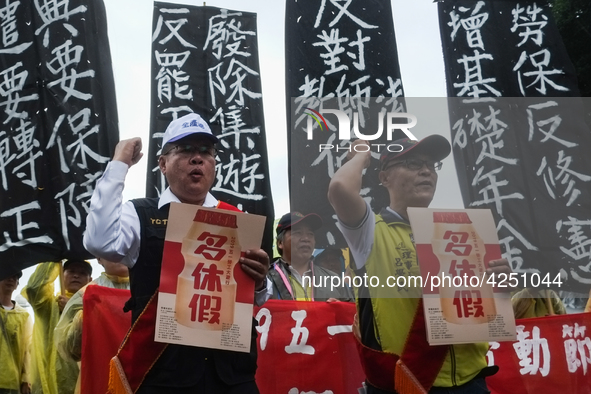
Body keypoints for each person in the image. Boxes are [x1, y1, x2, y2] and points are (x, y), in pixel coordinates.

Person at [83, 112, 271, 394]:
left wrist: (260, 282)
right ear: (162, 163)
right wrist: (119, 163)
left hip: (232, 378)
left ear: (214, 165)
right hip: (163, 376)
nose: (198, 159)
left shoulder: (237, 220)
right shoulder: (141, 214)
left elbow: (254, 297)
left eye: (206, 151)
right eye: (185, 150)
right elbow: (99, 241)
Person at [327, 136, 513, 393]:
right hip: (408, 382)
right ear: (384, 178)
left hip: (472, 378)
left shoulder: (460, 232)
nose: (426, 171)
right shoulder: (370, 231)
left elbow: (479, 308)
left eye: (432, 165)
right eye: (413, 163)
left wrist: (500, 285)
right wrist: (361, 156)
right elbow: (340, 188)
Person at [54, 258, 130, 394]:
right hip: (98, 376)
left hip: (139, 376)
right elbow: (69, 349)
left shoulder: (150, 290)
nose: (121, 253)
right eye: (113, 246)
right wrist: (82, 320)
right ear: (99, 258)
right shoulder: (85, 294)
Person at [21, 260, 92, 394]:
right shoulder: (48, 304)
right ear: (61, 274)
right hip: (47, 384)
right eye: (71, 271)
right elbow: (33, 288)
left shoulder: (95, 306)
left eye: (82, 273)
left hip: (82, 382)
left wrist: (71, 309)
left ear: (90, 279)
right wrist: (53, 259)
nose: (76, 275)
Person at [269, 212, 353, 302]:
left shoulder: (334, 280)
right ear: (280, 243)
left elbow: (353, 313)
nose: (306, 238)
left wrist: (342, 310)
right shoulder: (264, 279)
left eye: (310, 234)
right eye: (297, 233)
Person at [0, 268, 32, 394]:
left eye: (15, 277)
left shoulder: (23, 316)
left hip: (12, 381)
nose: (12, 279)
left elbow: (28, 350)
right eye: (7, 274)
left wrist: (26, 379)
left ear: (17, 284)